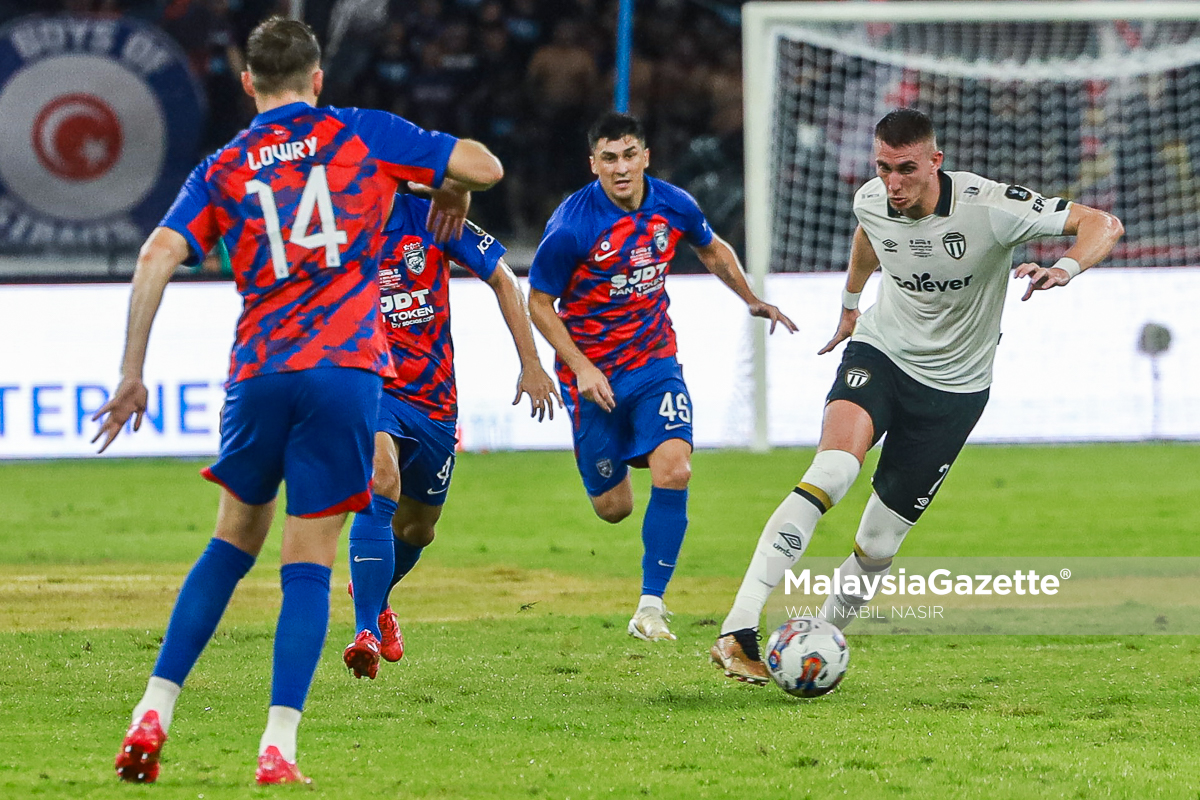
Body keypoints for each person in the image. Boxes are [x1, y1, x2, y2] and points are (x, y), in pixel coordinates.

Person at [93, 16, 502, 783]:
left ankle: (154, 708)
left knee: (229, 544)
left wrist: (131, 370)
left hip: (261, 368)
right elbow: (485, 165)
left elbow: (157, 253)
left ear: (248, 84)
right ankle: (276, 748)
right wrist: (443, 183)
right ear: (317, 80)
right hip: (345, 372)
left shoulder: (225, 164)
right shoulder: (360, 134)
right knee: (308, 561)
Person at [711, 108, 1123, 684]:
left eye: (906, 170)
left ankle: (817, 643)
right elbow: (868, 233)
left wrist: (1068, 268)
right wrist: (852, 305)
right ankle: (739, 627)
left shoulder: (992, 208)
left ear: (935, 162)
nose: (893, 185)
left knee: (878, 541)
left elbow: (1103, 222)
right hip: (881, 354)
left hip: (955, 390)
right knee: (830, 471)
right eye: (883, 169)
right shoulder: (873, 199)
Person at [527, 111, 796, 643]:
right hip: (593, 375)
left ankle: (650, 607)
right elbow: (537, 301)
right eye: (609, 158)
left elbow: (710, 247)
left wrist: (750, 299)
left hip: (654, 363)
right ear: (593, 164)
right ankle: (618, 456)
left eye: (629, 155)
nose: (621, 168)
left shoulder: (673, 203)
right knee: (614, 508)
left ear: (646, 155)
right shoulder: (572, 226)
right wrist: (579, 367)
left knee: (676, 469)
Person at [343, 188, 560, 679]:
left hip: (435, 400)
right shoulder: (338, 225)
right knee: (380, 481)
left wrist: (531, 363)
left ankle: (374, 592)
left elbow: (503, 280)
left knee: (419, 528)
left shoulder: (436, 218)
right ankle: (366, 634)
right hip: (372, 385)